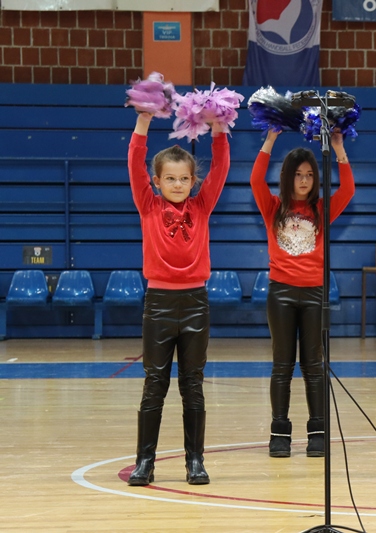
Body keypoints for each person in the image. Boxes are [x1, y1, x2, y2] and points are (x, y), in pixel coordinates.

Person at [126, 112, 231, 486]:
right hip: (158, 304)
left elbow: (221, 168)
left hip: (195, 304)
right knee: (154, 383)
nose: (177, 184)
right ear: (156, 181)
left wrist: (219, 129)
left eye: (184, 178)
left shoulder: (202, 206)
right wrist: (142, 122)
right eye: (169, 178)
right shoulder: (148, 205)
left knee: (193, 384)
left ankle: (195, 461)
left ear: (193, 181)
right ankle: (145, 462)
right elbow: (135, 162)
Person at [250, 128, 355, 458]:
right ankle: (279, 432)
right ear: (287, 177)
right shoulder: (273, 207)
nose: (305, 180)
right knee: (282, 366)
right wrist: (270, 139)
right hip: (280, 294)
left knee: (313, 365)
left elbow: (348, 190)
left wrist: (338, 149)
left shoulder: (322, 209)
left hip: (313, 295)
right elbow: (255, 180)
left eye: (309, 174)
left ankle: (318, 431)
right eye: (298, 174)